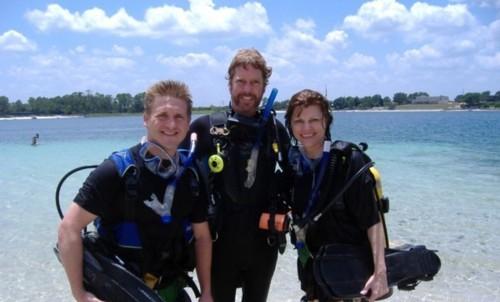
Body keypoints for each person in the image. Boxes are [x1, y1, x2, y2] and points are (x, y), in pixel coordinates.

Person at [57, 80, 213, 302]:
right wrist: (81, 295)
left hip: (171, 291)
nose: (171, 124)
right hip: (120, 293)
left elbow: (202, 237)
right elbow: (68, 228)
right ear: (146, 119)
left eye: (179, 117)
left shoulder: (192, 176)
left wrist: (206, 292)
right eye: (162, 115)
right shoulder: (117, 170)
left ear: (188, 123)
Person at [183, 48, 290, 302]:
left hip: (263, 245)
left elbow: (298, 179)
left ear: (265, 87)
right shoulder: (205, 128)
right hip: (218, 245)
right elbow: (175, 178)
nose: (247, 90)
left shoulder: (276, 131)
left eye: (255, 83)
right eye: (241, 82)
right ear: (229, 83)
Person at [284, 89, 389, 302]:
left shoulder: (348, 162)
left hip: (352, 279)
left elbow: (373, 222)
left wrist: (380, 273)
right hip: (314, 276)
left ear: (326, 122)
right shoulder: (293, 166)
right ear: (290, 126)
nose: (306, 128)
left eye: (314, 120)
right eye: (299, 121)